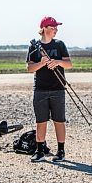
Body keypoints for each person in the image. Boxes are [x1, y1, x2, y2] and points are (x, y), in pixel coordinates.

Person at [26, 16, 73, 162]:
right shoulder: (34, 46)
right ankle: (40, 152)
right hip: (40, 89)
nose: (56, 30)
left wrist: (57, 62)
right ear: (45, 28)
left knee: (59, 121)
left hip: (58, 89)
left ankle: (61, 151)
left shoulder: (59, 45)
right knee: (41, 121)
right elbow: (29, 68)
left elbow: (69, 64)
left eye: (56, 28)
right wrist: (41, 64)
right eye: (53, 28)